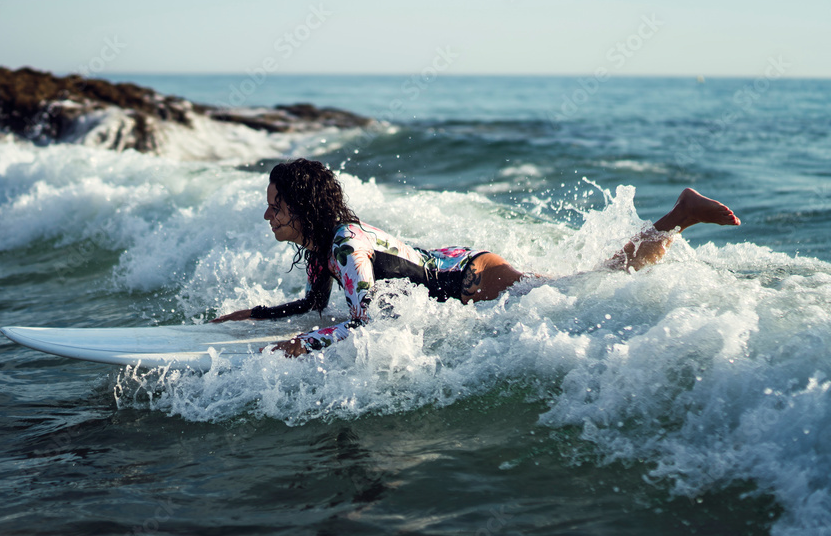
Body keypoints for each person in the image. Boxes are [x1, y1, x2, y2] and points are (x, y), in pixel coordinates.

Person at [212, 159, 740, 357]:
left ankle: (678, 216)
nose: (268, 218)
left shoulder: (347, 248)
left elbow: (366, 322)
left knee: (589, 286)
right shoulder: (320, 247)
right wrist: (255, 316)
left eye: (275, 206)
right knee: (583, 281)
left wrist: (303, 344)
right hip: (454, 267)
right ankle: (673, 218)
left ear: (302, 207)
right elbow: (314, 301)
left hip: (472, 277)